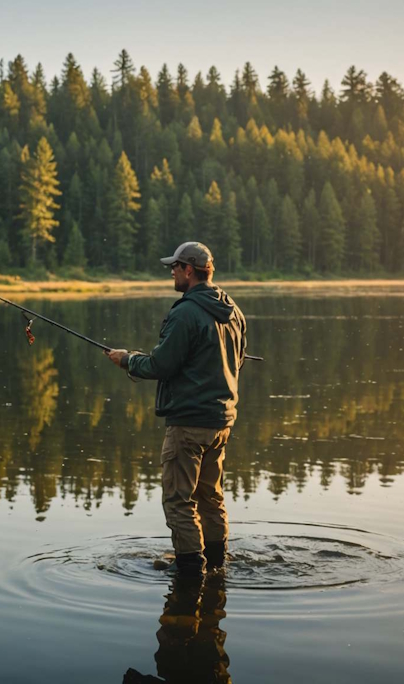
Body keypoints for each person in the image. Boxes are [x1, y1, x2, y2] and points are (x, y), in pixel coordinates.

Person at [105, 242, 247, 576]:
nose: (171, 271)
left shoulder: (185, 312)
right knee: (210, 496)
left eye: (175, 267)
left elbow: (161, 365)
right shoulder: (233, 311)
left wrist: (127, 360)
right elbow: (237, 361)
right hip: (221, 422)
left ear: (189, 269)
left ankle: (190, 569)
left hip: (188, 425)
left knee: (178, 500)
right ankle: (216, 563)